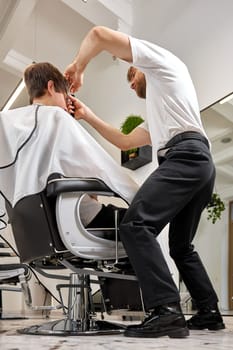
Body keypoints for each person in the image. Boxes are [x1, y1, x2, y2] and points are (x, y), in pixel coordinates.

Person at [64, 26, 225, 338]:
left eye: (130, 76)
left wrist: (78, 68)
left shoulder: (163, 63)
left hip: (186, 157)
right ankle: (209, 312)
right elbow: (127, 142)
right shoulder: (164, 108)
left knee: (135, 225)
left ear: (139, 65)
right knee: (181, 247)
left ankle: (166, 311)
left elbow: (97, 34)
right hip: (197, 161)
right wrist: (87, 115)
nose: (130, 83)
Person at [0, 62, 138, 229]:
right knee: (139, 221)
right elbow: (101, 168)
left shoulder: (7, 123)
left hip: (35, 228)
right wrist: (138, 195)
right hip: (78, 221)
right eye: (66, 98)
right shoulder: (57, 117)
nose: (67, 106)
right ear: (51, 87)